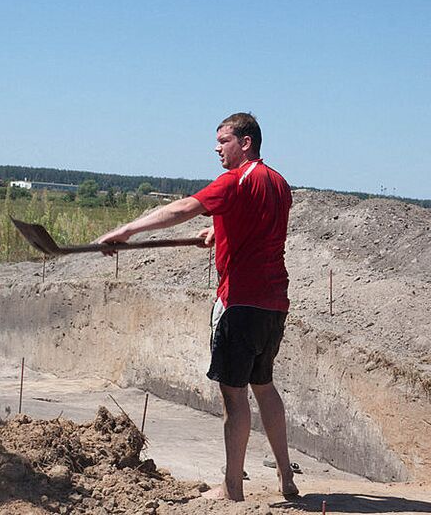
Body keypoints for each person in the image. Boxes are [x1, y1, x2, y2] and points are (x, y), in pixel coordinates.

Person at [97, 113, 298, 501]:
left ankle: (232, 489)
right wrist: (219, 232)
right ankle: (286, 478)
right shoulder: (279, 183)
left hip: (239, 303)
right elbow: (256, 227)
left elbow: (183, 208)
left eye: (223, 140)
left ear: (246, 142)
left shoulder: (235, 179)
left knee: (233, 396)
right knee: (264, 386)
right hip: (273, 304)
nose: (217, 148)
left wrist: (126, 231)